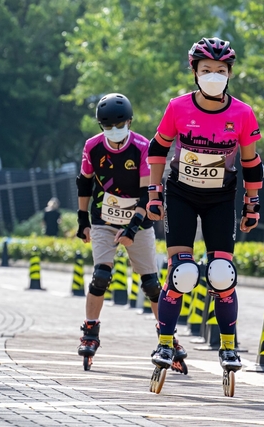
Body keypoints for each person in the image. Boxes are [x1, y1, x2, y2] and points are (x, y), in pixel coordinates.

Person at [146, 37, 263, 374]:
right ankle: (165, 343)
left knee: (222, 274)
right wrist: (154, 193)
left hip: (220, 198)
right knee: (182, 273)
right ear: (195, 72)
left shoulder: (242, 113)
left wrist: (252, 204)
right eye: (207, 69)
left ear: (230, 74)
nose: (214, 76)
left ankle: (228, 347)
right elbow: (157, 149)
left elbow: (251, 163)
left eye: (221, 70)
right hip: (181, 194)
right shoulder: (178, 107)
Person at [75, 93, 187, 371]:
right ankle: (90, 331)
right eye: (108, 126)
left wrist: (132, 228)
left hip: (139, 219)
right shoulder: (92, 146)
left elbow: (146, 193)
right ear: (101, 125)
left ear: (129, 122)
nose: (114, 130)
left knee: (151, 284)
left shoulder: (141, 147)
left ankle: (168, 338)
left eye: (120, 124)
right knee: (101, 276)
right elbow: (85, 183)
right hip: (104, 218)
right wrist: (82, 220)